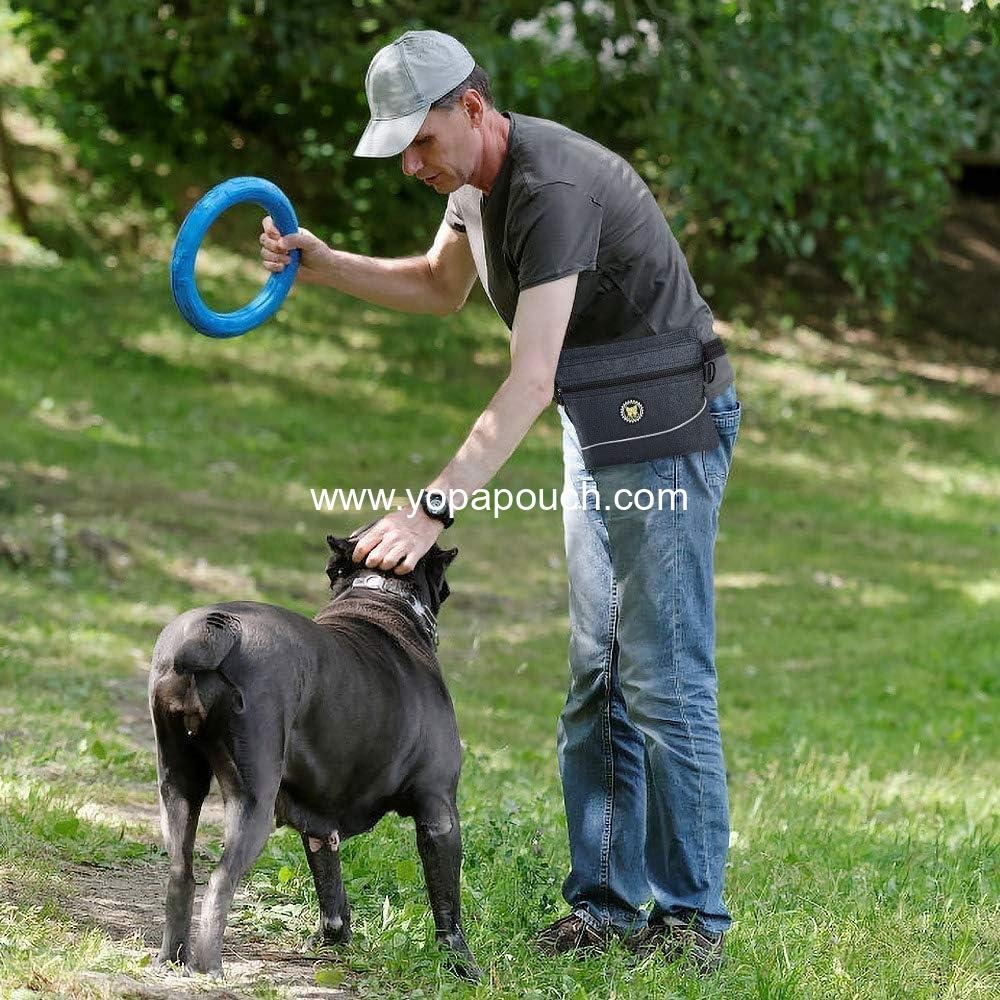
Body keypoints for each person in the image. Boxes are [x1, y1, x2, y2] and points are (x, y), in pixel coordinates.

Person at [259, 29, 741, 974]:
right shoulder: (475, 184)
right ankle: (606, 907)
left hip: (665, 427)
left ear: (472, 107)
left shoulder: (551, 188)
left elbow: (530, 378)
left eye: (421, 141)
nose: (412, 164)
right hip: (601, 422)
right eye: (399, 148)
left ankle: (693, 925)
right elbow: (440, 287)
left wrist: (430, 509)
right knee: (597, 676)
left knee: (662, 677)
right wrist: (321, 263)